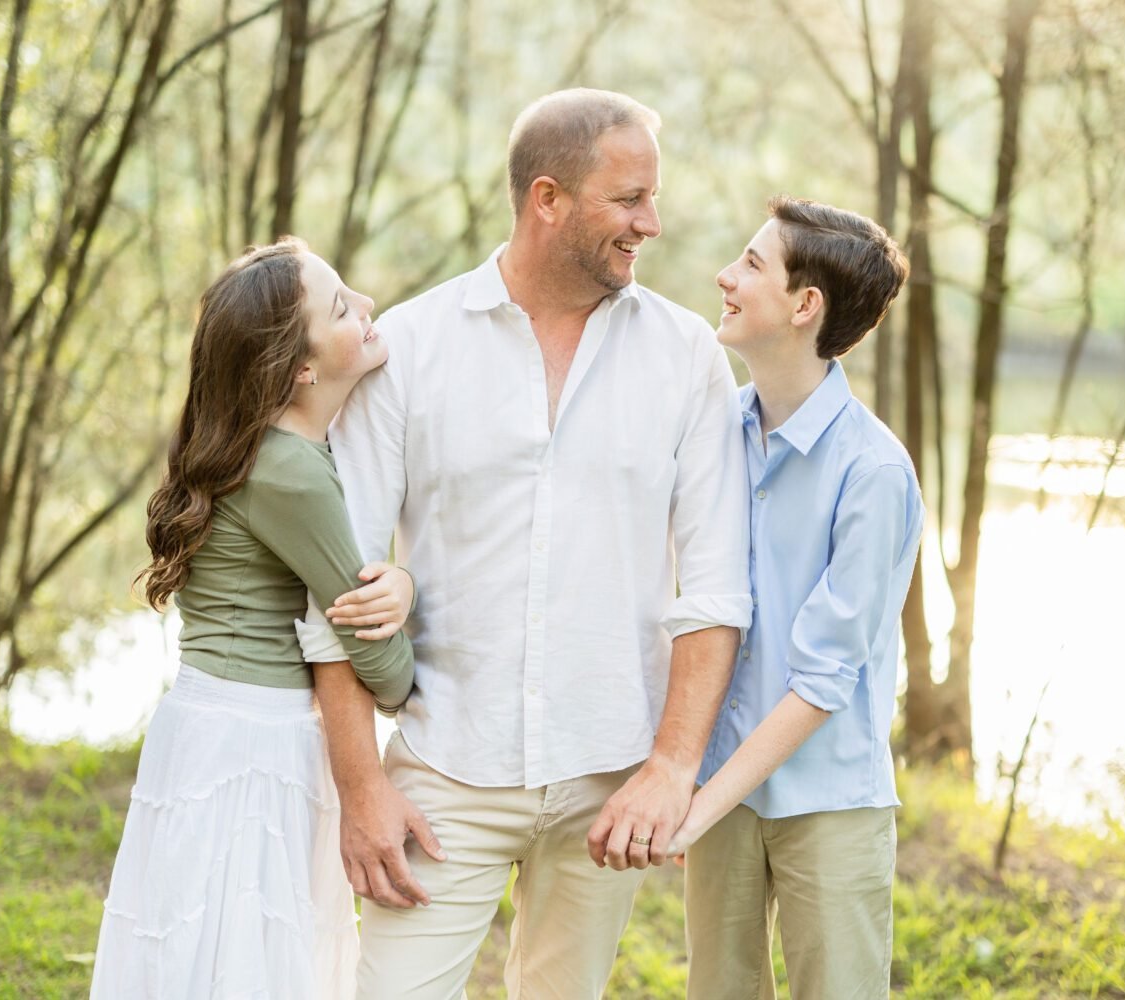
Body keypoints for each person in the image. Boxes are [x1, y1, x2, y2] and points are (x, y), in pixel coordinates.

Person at [313, 88, 752, 999]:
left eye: (653, 197)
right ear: (547, 199)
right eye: (628, 200)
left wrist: (670, 768)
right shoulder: (410, 348)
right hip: (445, 768)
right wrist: (361, 788)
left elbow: (714, 586)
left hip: (610, 777)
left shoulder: (687, 358)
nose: (653, 223)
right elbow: (335, 588)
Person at [90, 238, 417, 999]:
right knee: (248, 961)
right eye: (341, 306)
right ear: (301, 367)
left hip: (205, 726)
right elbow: (388, 673)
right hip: (256, 747)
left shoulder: (254, 448)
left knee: (198, 952)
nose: (367, 307)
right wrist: (407, 590)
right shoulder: (292, 471)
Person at [668, 197, 921, 1000]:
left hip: (831, 804)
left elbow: (822, 679)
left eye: (750, 263)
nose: (724, 275)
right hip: (720, 792)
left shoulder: (872, 473)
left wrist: (697, 807)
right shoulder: (715, 436)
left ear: (805, 306)